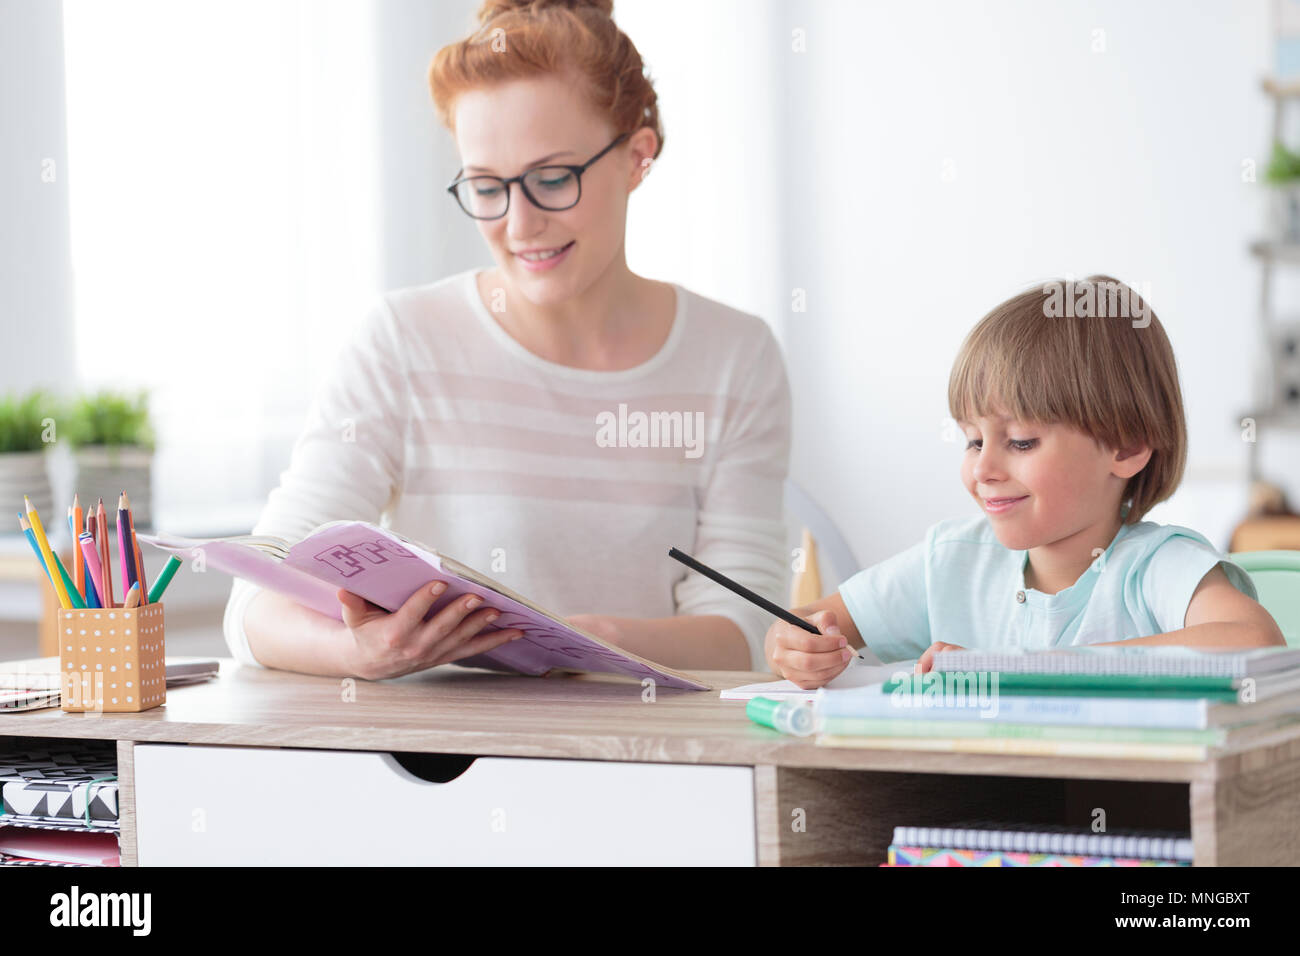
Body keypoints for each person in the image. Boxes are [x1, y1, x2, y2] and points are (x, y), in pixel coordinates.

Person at [222, 0, 791, 679]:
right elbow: (257, 598)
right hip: (445, 761)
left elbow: (749, 627)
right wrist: (361, 653)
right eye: (487, 187)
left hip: (652, 758)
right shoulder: (402, 343)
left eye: (553, 179)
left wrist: (593, 641)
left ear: (638, 157)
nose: (520, 225)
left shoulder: (734, 356)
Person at [765, 276, 1285, 688]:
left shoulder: (1156, 567)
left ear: (1126, 447)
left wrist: (1029, 667)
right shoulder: (953, 560)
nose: (983, 469)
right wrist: (792, 644)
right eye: (972, 441)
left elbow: (1254, 641)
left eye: (1020, 442)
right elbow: (809, 619)